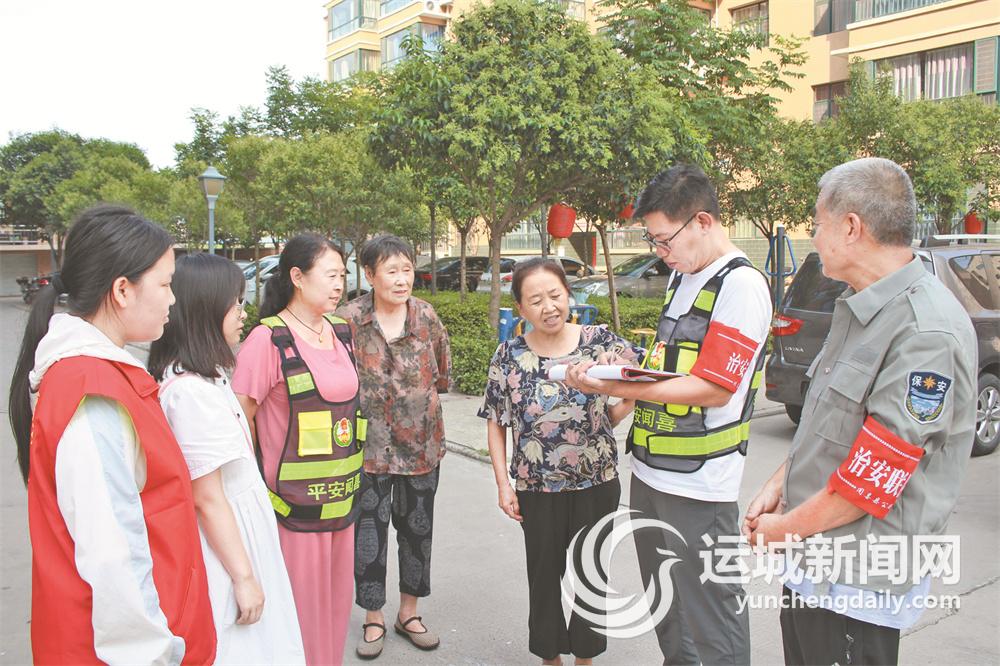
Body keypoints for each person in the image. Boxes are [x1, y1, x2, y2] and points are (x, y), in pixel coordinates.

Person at [744, 158, 977, 666]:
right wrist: (780, 481)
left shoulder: (924, 331)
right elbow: (831, 422)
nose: (813, 236)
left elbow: (874, 477)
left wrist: (785, 529)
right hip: (813, 561)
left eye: (817, 224)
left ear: (851, 227)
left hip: (856, 582)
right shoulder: (862, 306)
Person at [565, 164, 772, 665]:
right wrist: (622, 367)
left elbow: (714, 388)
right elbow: (671, 364)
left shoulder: (741, 287)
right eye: (653, 240)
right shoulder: (683, 276)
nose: (660, 252)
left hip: (701, 484)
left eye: (664, 240)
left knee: (713, 616)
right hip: (652, 469)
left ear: (703, 221)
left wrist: (612, 385)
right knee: (669, 608)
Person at [7, 204, 216, 664]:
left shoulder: (95, 377)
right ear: (122, 290)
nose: (173, 299)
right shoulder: (93, 393)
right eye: (165, 284)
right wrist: (158, 654)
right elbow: (113, 558)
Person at [479, 258, 643, 665]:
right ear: (521, 308)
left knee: (591, 576)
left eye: (555, 295)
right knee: (544, 578)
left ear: (568, 295)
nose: (548, 306)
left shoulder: (599, 341)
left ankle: (585, 658)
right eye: (535, 300)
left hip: (597, 484)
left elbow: (640, 377)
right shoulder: (509, 355)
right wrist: (502, 484)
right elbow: (497, 422)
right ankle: (549, 657)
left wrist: (619, 409)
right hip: (536, 488)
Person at [148, 253, 305, 664]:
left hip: (240, 530)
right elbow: (207, 497)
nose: (243, 313)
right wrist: (244, 576)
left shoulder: (208, 378)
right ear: (205, 309)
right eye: (235, 303)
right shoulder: (190, 394)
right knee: (244, 646)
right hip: (227, 542)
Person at [233, 233, 363, 665]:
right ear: (297, 277)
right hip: (293, 515)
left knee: (335, 615)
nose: (339, 284)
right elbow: (239, 422)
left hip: (341, 506)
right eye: (330, 275)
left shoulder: (341, 332)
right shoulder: (267, 341)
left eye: (342, 275)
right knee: (300, 621)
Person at [336, 234, 450, 660]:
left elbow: (442, 372)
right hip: (368, 449)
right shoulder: (348, 320)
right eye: (392, 271)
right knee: (369, 532)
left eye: (407, 269)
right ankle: (373, 617)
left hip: (421, 446)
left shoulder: (426, 315)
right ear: (369, 274)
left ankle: (408, 613)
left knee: (417, 532)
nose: (403, 279)